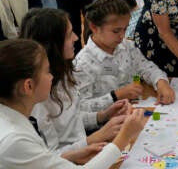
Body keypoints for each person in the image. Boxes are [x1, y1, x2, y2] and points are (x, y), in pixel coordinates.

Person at [0, 39, 145, 168]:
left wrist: (72, 155)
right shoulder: (15, 140)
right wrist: (124, 137)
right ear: (28, 86)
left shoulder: (14, 117)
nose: (51, 76)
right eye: (47, 71)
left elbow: (41, 159)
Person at [20, 8, 133, 154]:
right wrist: (96, 137)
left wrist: (102, 115)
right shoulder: (38, 96)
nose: (75, 38)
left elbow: (71, 121)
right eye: (69, 35)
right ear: (53, 44)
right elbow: (51, 157)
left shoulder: (63, 72)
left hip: (85, 146)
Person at [74, 0, 175, 108]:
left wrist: (161, 82)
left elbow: (147, 67)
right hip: (108, 123)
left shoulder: (127, 46)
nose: (122, 36)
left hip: (135, 112)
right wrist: (115, 96)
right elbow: (80, 107)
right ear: (94, 27)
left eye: (125, 29)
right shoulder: (82, 64)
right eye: (116, 31)